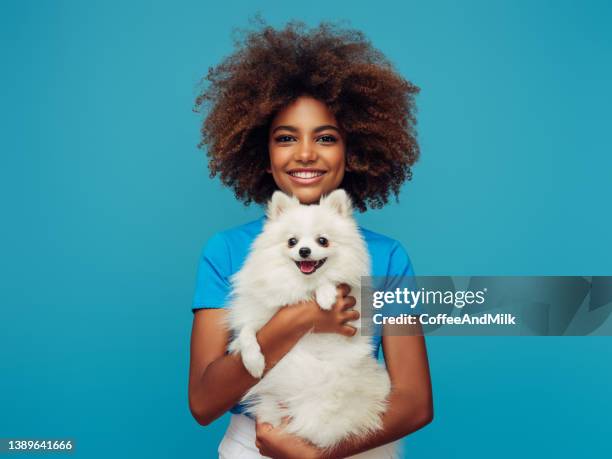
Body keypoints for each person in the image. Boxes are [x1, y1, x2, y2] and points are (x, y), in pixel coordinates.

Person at [188, 21, 433, 459]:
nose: (305, 153)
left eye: (325, 137)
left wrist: (318, 455)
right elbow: (205, 403)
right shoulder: (225, 251)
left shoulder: (387, 257)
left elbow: (415, 403)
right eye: (286, 138)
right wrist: (298, 319)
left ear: (351, 151)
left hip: (350, 440)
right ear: (262, 153)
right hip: (253, 443)